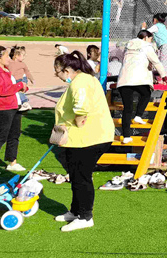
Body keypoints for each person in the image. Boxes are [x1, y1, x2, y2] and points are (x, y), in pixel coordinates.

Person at [52, 51, 114, 232]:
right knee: (75, 175)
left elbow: (81, 107)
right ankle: (76, 211)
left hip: (88, 139)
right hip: (80, 138)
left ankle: (85, 217)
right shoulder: (83, 80)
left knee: (82, 177)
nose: (57, 75)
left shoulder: (81, 82)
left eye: (57, 72)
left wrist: (78, 122)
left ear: (66, 70)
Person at [116, 30, 167, 144]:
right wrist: (164, 76)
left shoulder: (128, 46)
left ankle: (126, 136)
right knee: (146, 94)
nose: (151, 41)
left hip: (124, 79)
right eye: (150, 39)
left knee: (127, 109)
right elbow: (156, 62)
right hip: (139, 78)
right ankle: (138, 115)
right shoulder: (147, 46)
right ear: (145, 38)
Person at [0, 46, 29, 173]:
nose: (9, 59)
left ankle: (12, 162)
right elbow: (1, 90)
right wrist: (19, 85)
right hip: (4, 108)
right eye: (6, 56)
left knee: (14, 135)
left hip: (14, 105)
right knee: (0, 137)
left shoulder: (6, 70)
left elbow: (11, 87)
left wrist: (22, 87)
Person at [141, 13, 167, 82]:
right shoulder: (163, 26)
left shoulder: (156, 26)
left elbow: (144, 33)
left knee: (164, 64)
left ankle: (163, 80)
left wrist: (143, 27)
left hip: (165, 46)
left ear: (155, 20)